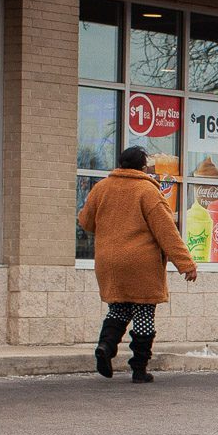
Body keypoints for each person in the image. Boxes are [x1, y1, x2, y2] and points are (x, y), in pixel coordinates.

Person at [78, 146, 197, 382]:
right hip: (140, 264)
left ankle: (105, 346)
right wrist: (186, 264)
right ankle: (139, 369)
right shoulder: (147, 191)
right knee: (143, 313)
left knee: (118, 309)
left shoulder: (101, 188)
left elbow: (85, 221)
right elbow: (167, 232)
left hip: (109, 263)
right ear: (143, 167)